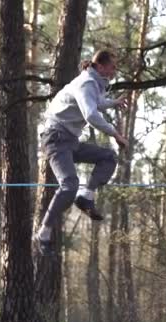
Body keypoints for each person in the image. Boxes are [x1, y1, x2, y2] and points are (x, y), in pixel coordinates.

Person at [34, 49, 129, 256]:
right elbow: (91, 114)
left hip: (70, 141)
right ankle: (43, 233)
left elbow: (97, 103)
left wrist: (114, 102)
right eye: (112, 67)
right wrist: (115, 134)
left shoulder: (94, 83)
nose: (114, 71)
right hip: (56, 139)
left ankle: (86, 196)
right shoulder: (87, 83)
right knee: (69, 186)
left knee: (108, 157)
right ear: (101, 66)